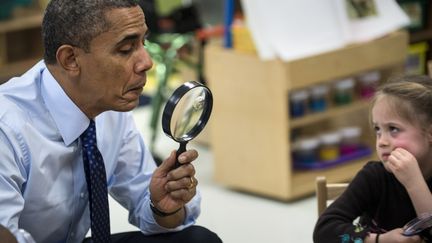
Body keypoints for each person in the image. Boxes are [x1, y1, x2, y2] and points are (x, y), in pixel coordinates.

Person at [0, 1, 222, 243]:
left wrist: (163, 207)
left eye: (143, 42)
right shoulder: (7, 127)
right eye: (126, 49)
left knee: (199, 240)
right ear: (70, 59)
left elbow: (147, 203)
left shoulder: (109, 104)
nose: (146, 62)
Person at [313, 75, 432, 243]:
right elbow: (324, 231)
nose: (382, 141)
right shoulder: (374, 176)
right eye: (378, 129)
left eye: (393, 129)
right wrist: (379, 240)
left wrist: (414, 183)